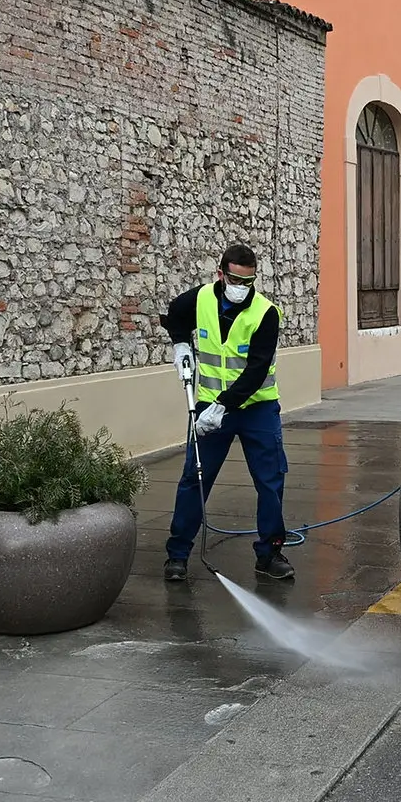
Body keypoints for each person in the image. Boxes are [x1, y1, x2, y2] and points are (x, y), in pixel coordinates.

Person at [161, 243, 292, 584]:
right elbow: (174, 315)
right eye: (235, 279)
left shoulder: (266, 313)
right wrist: (180, 346)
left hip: (256, 408)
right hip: (208, 405)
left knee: (270, 481)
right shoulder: (200, 299)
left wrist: (223, 406)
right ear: (220, 274)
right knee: (195, 478)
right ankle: (177, 555)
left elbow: (256, 370)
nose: (241, 288)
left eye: (248, 282)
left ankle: (270, 553)